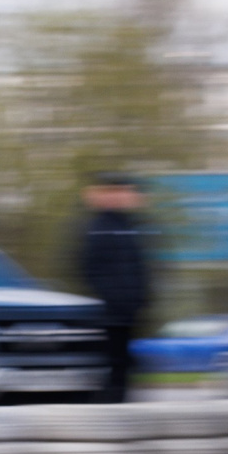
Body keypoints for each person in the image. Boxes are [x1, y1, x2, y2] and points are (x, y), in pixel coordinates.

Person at [73, 172, 152, 402]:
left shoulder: (132, 226)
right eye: (121, 191)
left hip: (129, 312)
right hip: (109, 314)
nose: (128, 197)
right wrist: (111, 299)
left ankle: (118, 409)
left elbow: (140, 268)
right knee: (113, 368)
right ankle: (109, 414)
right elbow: (88, 268)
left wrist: (141, 300)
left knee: (125, 368)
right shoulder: (96, 227)